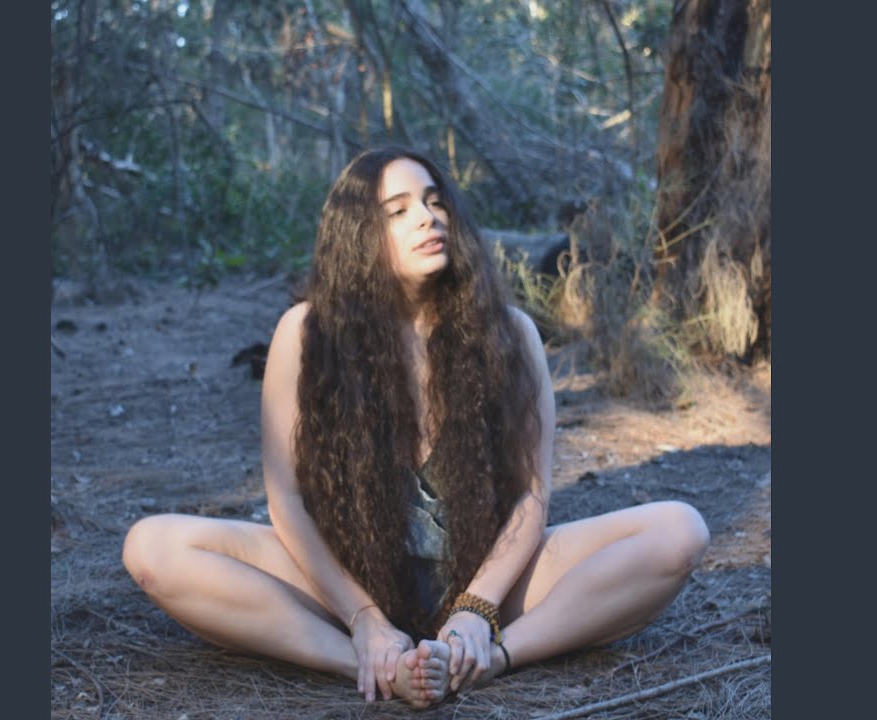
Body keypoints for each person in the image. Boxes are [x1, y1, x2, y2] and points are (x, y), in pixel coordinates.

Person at [121, 146, 710, 709]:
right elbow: (287, 503)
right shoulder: (304, 333)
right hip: (345, 588)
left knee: (679, 530)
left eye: (433, 201)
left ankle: (492, 659)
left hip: (487, 582)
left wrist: (476, 609)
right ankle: (371, 664)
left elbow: (532, 497)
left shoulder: (511, 334)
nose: (428, 218)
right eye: (398, 210)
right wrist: (364, 620)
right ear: (358, 234)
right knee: (153, 547)